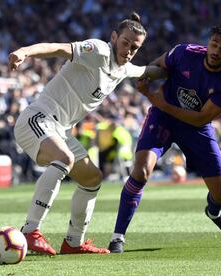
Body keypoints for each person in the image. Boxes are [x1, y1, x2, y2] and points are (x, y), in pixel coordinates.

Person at [8, 12, 166, 255]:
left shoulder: (122, 69)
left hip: (58, 129)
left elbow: (148, 70)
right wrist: (24, 52)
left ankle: (73, 242)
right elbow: (58, 48)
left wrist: (180, 67)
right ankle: (30, 231)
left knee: (92, 178)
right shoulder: (99, 51)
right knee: (64, 158)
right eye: (125, 43)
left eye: (135, 47)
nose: (129, 50)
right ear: (114, 37)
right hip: (37, 119)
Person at [107, 23, 221, 253]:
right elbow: (157, 65)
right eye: (214, 44)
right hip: (163, 118)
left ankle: (213, 213)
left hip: (195, 127)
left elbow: (200, 119)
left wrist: (159, 101)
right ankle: (117, 236)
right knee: (141, 171)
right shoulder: (184, 52)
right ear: (207, 42)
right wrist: (146, 78)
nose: (216, 51)